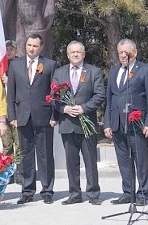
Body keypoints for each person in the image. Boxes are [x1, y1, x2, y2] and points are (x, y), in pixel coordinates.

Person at [103, 39, 148, 206]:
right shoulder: (114, 71)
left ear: (135, 52)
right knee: (123, 160)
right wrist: (107, 123)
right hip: (117, 123)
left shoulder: (145, 70)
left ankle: (142, 193)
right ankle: (128, 192)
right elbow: (109, 100)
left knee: (140, 159)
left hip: (137, 123)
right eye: (120, 52)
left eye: (126, 52)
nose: (123, 55)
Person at [52, 41, 105, 205]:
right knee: (71, 162)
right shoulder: (59, 73)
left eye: (78, 52)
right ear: (67, 55)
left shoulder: (94, 72)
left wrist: (83, 108)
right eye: (72, 52)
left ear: (83, 54)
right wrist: (64, 109)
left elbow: (99, 95)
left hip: (87, 123)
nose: (75, 54)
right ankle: (75, 194)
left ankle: (93, 194)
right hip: (67, 123)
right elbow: (52, 98)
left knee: (90, 161)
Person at [7, 33, 57, 204]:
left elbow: (54, 93)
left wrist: (54, 114)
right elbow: (11, 93)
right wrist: (12, 116)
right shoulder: (14, 65)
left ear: (40, 47)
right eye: (29, 45)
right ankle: (27, 190)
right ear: (25, 46)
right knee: (26, 155)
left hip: (43, 116)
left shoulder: (50, 65)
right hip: (22, 116)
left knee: (45, 155)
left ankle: (47, 190)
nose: (31, 48)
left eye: (35, 46)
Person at [0, 40, 20, 184]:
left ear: (16, 51)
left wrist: (11, 81)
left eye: (11, 49)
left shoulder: (20, 65)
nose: (9, 51)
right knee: (7, 144)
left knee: (18, 143)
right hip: (3, 111)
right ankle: (8, 172)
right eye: (6, 49)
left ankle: (20, 171)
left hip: (17, 111)